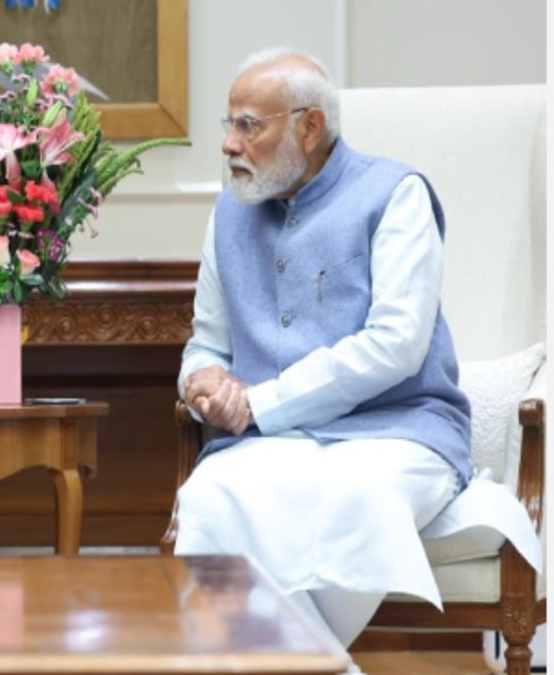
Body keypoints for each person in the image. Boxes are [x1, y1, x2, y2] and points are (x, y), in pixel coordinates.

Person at [172, 47, 539, 667]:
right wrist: (202, 377)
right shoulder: (228, 212)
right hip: (269, 445)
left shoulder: (396, 195)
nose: (230, 144)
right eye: (228, 124)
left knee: (354, 496)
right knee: (210, 494)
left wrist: (258, 403)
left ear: (309, 127)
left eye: (248, 125)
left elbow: (396, 344)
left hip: (400, 431)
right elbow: (208, 339)